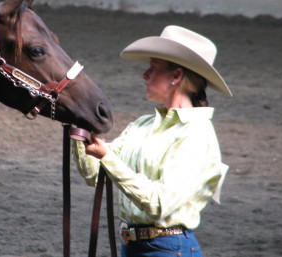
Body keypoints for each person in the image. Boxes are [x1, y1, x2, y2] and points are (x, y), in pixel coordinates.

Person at [72, 25, 232, 257]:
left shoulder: (196, 134)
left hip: (168, 249)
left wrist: (107, 156)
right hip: (134, 246)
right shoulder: (142, 125)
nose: (145, 74)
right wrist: (79, 125)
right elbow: (95, 175)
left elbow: (160, 204)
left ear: (176, 76)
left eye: (153, 68)